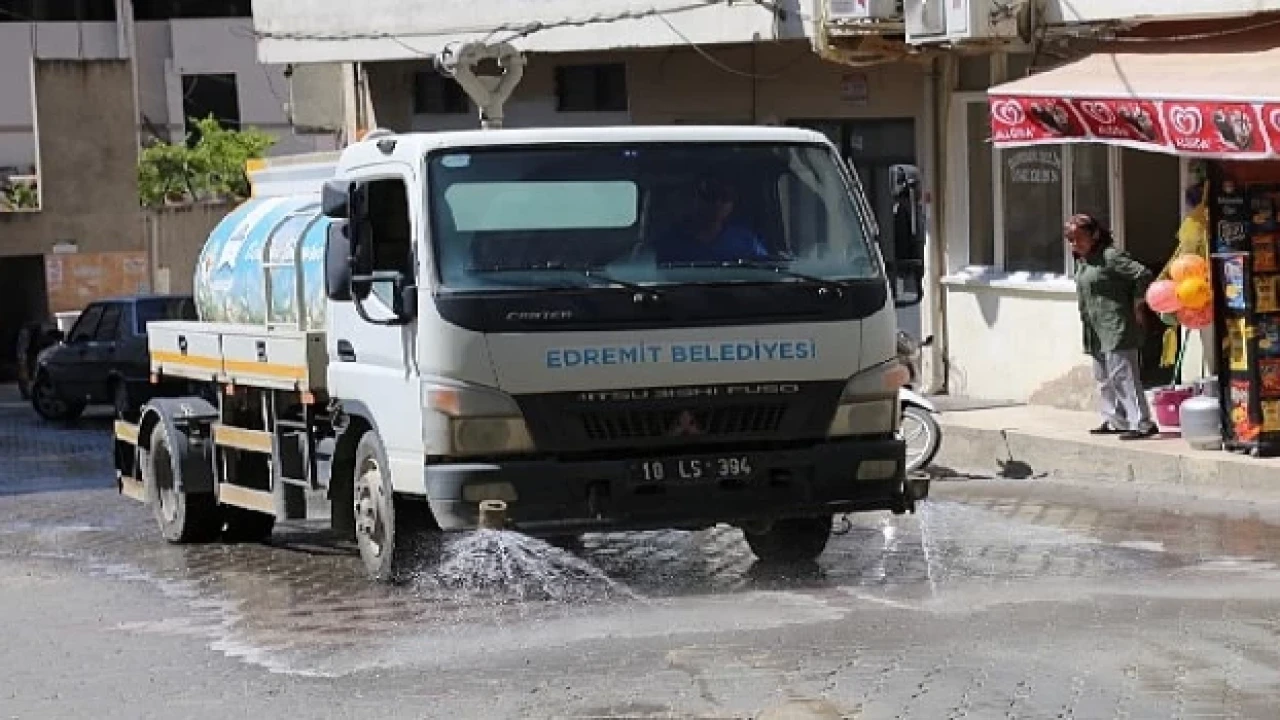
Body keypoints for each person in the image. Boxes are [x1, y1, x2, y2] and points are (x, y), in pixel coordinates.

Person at [1067, 213, 1158, 440]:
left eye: (1079, 238)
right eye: (1070, 239)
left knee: (1123, 375)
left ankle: (1142, 423)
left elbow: (1143, 274)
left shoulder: (1110, 256)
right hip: (1094, 327)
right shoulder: (1083, 261)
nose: (1075, 244)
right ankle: (1116, 420)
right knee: (1104, 377)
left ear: (1095, 235)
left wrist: (1138, 303)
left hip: (1116, 324)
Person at [653, 177, 769, 264]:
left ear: (733, 204)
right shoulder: (669, 244)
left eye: (726, 196)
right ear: (695, 198)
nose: (718, 203)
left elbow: (766, 269)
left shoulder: (748, 243)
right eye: (710, 195)